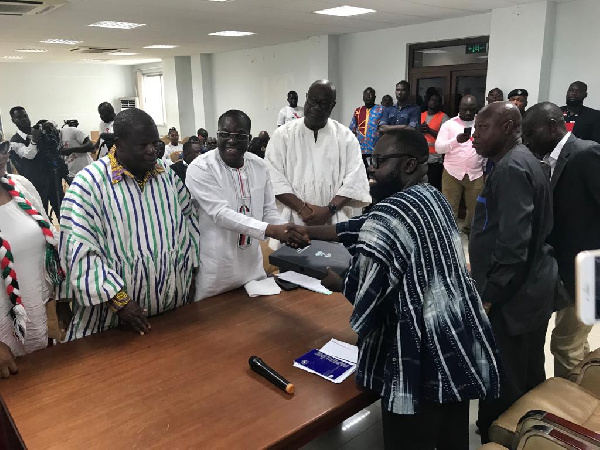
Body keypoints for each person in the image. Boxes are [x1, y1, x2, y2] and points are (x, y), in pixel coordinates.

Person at [292, 129, 501, 449]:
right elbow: (363, 226)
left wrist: (340, 283)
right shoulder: (434, 198)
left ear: (408, 164)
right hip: (455, 343)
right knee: (450, 437)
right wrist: (309, 232)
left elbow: (368, 296)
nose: (371, 168)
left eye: (379, 161)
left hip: (416, 356)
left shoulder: (388, 216)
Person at [59, 108, 200, 340]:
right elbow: (78, 250)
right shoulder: (89, 184)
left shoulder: (167, 177)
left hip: (171, 312)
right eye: (142, 145)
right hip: (112, 322)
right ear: (119, 144)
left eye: (155, 143)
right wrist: (119, 302)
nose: (152, 151)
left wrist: (192, 271)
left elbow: (190, 222)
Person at [470, 101, 558, 443]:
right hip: (533, 286)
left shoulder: (509, 169)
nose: (474, 136)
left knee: (503, 378)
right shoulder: (526, 161)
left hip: (514, 296)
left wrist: (490, 297)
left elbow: (512, 245)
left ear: (508, 127)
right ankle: (532, 436)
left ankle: (498, 437)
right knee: (528, 371)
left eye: (483, 128)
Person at [186, 110, 303, 301]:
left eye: (239, 135)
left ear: (249, 138)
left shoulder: (259, 166)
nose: (231, 140)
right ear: (217, 136)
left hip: (252, 270)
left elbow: (268, 211)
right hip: (216, 272)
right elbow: (220, 214)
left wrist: (286, 230)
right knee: (214, 327)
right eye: (225, 134)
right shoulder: (201, 168)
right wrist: (271, 230)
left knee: (256, 323)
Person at [523, 102, 600, 378]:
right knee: (575, 342)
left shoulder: (586, 153)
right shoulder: (548, 160)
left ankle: (569, 414)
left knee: (564, 345)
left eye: (530, 134)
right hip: (566, 268)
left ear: (553, 127)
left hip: (590, 271)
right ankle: (588, 390)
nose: (527, 142)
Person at [265, 80, 371, 241]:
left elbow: (354, 180)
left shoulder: (346, 137)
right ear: (306, 98)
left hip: (333, 222)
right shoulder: (282, 135)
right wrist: (302, 209)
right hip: (293, 223)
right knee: (290, 263)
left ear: (332, 105)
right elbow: (273, 178)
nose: (316, 107)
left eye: (323, 103)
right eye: (313, 101)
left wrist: (328, 210)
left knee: (333, 264)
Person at [0, 138, 67, 377]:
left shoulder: (21, 186)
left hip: (39, 322)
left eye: (2, 147)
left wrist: (60, 302)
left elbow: (50, 242)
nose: (2, 155)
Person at [435, 95, 484, 234]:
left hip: (476, 173)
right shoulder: (449, 125)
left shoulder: (482, 125)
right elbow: (438, 148)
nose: (468, 112)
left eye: (471, 109)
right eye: (465, 109)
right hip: (452, 173)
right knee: (449, 207)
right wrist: (455, 141)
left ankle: (470, 231)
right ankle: (449, 235)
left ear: (476, 109)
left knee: (475, 208)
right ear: (459, 108)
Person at [9, 107, 67, 219]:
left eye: (25, 116)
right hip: (35, 185)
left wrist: (48, 125)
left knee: (63, 212)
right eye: (19, 118)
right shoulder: (15, 142)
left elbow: (55, 125)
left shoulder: (39, 130)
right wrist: (34, 140)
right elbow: (28, 154)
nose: (24, 119)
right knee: (41, 216)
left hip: (52, 178)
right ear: (13, 120)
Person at [349, 87, 384, 168]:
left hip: (376, 149)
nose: (368, 96)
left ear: (375, 97)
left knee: (375, 173)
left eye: (370, 94)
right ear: (363, 97)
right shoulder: (358, 110)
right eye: (366, 94)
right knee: (362, 173)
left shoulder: (381, 109)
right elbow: (352, 130)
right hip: (360, 150)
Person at [420, 92, 449, 190]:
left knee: (433, 187)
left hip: (435, 160)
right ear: (428, 102)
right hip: (421, 159)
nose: (434, 102)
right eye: (432, 100)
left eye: (437, 101)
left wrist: (429, 130)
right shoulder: (421, 115)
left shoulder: (443, 117)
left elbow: (445, 137)